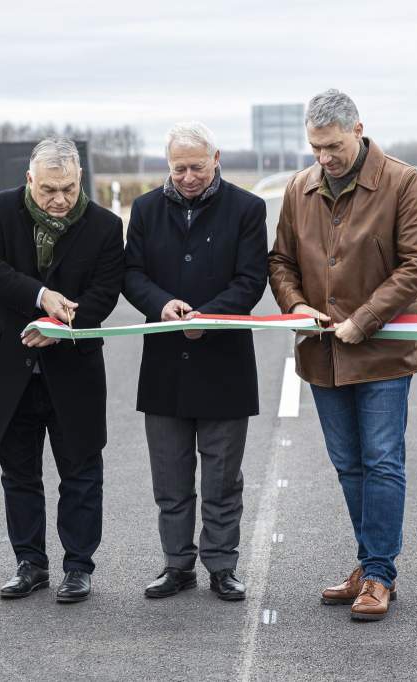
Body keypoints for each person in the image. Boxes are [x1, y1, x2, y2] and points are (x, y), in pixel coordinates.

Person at [268, 89, 417, 621]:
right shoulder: (300, 187)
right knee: (348, 465)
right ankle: (368, 564)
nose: (324, 158)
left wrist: (362, 321)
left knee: (382, 461)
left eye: (333, 146)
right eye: (315, 147)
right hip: (323, 354)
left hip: (384, 350)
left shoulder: (401, 181)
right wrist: (296, 305)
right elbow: (281, 261)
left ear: (358, 130)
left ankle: (381, 575)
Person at [0, 138, 124, 603]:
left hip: (74, 368)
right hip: (9, 368)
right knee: (19, 473)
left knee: (82, 472)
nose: (59, 200)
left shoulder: (106, 226)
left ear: (80, 180)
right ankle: (29, 563)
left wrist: (63, 328)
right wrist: (40, 296)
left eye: (68, 189)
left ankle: (78, 567)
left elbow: (105, 292)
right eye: (49, 189)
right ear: (30, 180)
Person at [123, 122, 267, 601]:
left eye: (197, 167)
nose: (187, 177)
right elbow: (132, 273)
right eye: (178, 168)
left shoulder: (248, 208)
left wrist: (211, 316)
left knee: (223, 479)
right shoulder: (144, 209)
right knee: (170, 479)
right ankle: (176, 565)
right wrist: (161, 304)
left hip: (224, 363)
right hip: (165, 363)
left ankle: (223, 566)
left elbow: (251, 280)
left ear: (216, 158)